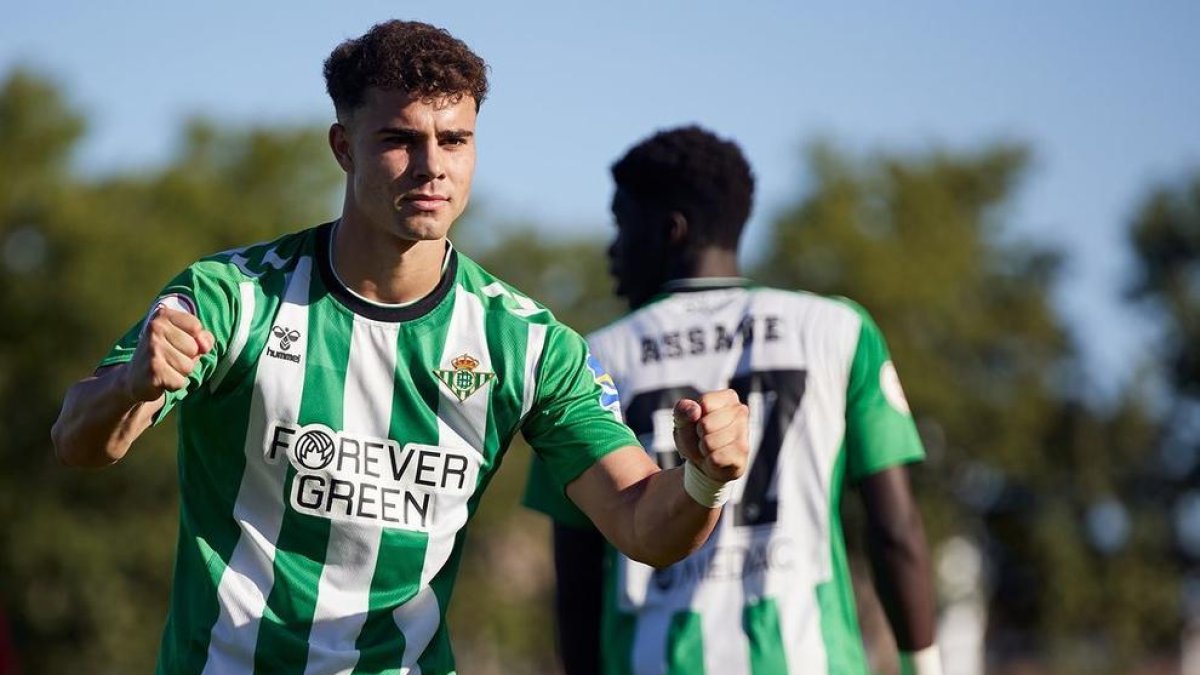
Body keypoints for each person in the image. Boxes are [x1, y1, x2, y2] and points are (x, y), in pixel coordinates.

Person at [50, 22, 749, 675]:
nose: (431, 166)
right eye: (399, 139)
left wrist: (704, 477)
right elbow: (78, 441)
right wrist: (129, 387)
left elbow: (642, 524)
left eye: (454, 139)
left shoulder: (527, 344)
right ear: (343, 146)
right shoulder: (234, 297)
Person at [523, 126, 943, 675]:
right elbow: (895, 530)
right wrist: (924, 664)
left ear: (671, 231)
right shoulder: (837, 330)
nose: (612, 250)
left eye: (622, 226)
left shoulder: (589, 358)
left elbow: (577, 578)